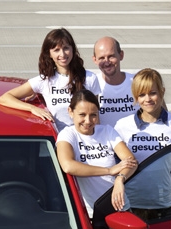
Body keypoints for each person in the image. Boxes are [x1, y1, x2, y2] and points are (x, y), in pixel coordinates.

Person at [113, 68, 171, 221]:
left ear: (162, 92)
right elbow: (115, 159)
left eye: (152, 93)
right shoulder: (123, 125)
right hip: (129, 201)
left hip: (162, 203)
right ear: (135, 96)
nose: (147, 99)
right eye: (142, 95)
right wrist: (120, 179)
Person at [0, 28, 99, 130]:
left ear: (73, 49)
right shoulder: (43, 81)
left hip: (85, 137)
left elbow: (96, 115)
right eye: (56, 50)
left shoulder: (90, 78)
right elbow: (4, 98)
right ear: (49, 54)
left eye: (66, 48)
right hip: (58, 138)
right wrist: (32, 108)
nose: (62, 54)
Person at [55, 89, 136, 217]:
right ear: (70, 112)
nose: (88, 121)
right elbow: (68, 166)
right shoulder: (67, 135)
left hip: (120, 208)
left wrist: (120, 179)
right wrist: (109, 170)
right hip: (90, 214)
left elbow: (131, 161)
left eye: (93, 115)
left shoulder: (107, 131)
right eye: (82, 114)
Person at [91, 36, 135, 128]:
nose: (107, 62)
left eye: (111, 56)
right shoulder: (91, 85)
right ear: (95, 60)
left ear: (121, 55)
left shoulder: (137, 82)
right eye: (101, 58)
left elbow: (161, 114)